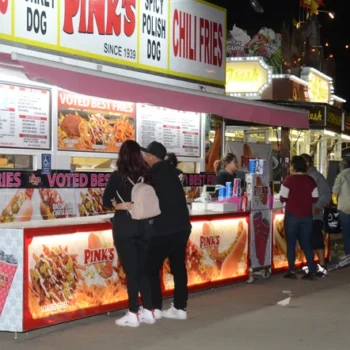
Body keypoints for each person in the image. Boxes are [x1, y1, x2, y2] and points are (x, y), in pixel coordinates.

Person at [103, 140, 155, 328]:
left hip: (125, 224)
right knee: (143, 269)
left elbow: (106, 200)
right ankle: (148, 311)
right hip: (147, 225)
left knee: (131, 271)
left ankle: (133, 313)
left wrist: (121, 205)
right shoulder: (147, 174)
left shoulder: (118, 176)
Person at [142, 141, 192, 320]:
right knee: (178, 267)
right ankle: (180, 308)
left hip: (164, 229)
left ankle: (154, 307)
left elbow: (148, 202)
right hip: (182, 227)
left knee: (150, 268)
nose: (144, 158)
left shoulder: (152, 175)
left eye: (146, 155)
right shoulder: (173, 172)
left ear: (152, 157)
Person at [280, 156, 318, 280]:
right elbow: (315, 198)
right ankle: (311, 270)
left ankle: (292, 270)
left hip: (291, 215)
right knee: (306, 243)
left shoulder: (288, 180)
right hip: (307, 216)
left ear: (294, 166)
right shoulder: (311, 180)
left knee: (291, 243)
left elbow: (282, 198)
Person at [301, 154, 331, 276]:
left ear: (308, 163)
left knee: (316, 239)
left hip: (314, 213)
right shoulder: (306, 176)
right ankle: (312, 265)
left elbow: (326, 193)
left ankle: (322, 265)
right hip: (307, 213)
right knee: (309, 240)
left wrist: (318, 206)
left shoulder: (317, 177)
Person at [333, 158, 350, 256]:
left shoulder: (341, 175)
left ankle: (348, 254)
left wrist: (334, 200)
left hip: (345, 208)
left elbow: (335, 190)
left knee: (347, 233)